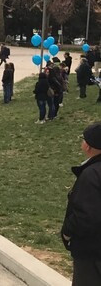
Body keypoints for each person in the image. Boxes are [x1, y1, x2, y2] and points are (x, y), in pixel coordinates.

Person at [61, 122, 101, 285]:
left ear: (89, 146)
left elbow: (86, 215)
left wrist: (67, 233)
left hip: (91, 251)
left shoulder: (91, 174)